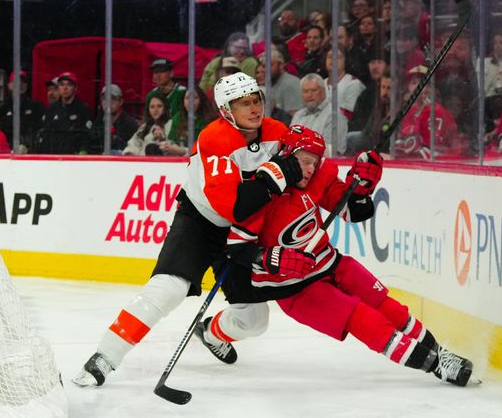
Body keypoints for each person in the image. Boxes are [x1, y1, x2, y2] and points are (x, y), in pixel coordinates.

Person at [72, 73, 303, 387]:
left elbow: (309, 165)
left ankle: (210, 332)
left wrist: (353, 189)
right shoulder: (215, 138)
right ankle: (104, 357)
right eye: (243, 103)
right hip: (201, 223)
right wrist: (275, 178)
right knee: (168, 288)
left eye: (256, 100)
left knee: (254, 320)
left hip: (246, 231)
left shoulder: (277, 132)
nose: (253, 108)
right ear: (225, 110)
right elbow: (231, 207)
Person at [202, 125, 474, 387]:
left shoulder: (319, 177)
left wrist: (362, 187)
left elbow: (352, 211)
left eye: (315, 162)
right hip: (293, 287)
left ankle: (440, 353)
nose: (310, 169)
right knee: (359, 317)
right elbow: (236, 247)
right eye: (304, 160)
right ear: (285, 156)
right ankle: (436, 365)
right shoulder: (260, 194)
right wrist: (272, 258)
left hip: (331, 262)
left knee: (387, 306)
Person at [36, 71, 93, 154]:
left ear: (75, 88)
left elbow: (88, 136)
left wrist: (83, 151)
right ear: (58, 87)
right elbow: (44, 135)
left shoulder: (83, 109)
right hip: (53, 158)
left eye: (69, 85)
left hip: (74, 159)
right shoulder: (51, 109)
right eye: (62, 84)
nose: (65, 88)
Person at [290, 74, 347, 154]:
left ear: (323, 91)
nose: (309, 95)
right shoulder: (298, 115)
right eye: (305, 91)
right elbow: (289, 143)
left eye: (313, 90)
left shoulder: (335, 115)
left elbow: (332, 151)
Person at [159, 86, 217, 156]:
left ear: (201, 100)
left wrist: (184, 151)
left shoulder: (211, 120)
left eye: (195, 98)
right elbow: (172, 140)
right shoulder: (177, 118)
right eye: (187, 98)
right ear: (183, 101)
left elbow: (210, 149)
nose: (190, 102)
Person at [0, 70, 44, 153]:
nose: (19, 84)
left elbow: (40, 132)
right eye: (16, 81)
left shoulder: (36, 107)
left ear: (27, 85)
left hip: (31, 153)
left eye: (23, 81)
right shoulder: (3, 110)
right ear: (9, 85)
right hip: (7, 153)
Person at [88, 84, 139, 155]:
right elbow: (92, 145)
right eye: (104, 98)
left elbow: (132, 150)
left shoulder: (130, 124)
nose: (108, 102)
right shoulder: (99, 120)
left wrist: (115, 138)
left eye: (113, 98)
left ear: (120, 101)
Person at [258, 49, 302, 117]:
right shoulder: (270, 84)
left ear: (281, 65)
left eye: (270, 65)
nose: (265, 70)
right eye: (263, 66)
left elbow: (295, 117)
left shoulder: (291, 84)